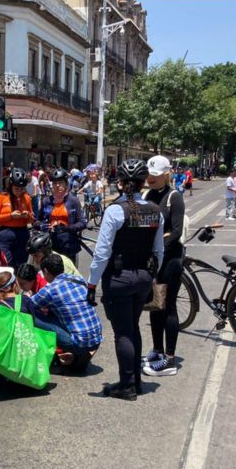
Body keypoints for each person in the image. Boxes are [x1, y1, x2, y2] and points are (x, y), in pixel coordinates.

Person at [87, 159, 164, 401]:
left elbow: (102, 253)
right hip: (142, 277)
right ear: (143, 183)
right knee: (133, 327)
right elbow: (158, 251)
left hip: (119, 278)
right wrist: (150, 275)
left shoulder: (115, 210)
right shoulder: (155, 211)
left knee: (123, 332)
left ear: (120, 183)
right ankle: (136, 381)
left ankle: (127, 385)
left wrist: (91, 283)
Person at [142, 155, 185, 377]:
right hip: (153, 259)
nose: (150, 178)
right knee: (154, 304)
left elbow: (176, 232)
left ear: (167, 175)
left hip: (171, 259)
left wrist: (157, 245)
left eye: (155, 175)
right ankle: (157, 350)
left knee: (168, 306)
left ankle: (170, 358)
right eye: (149, 174)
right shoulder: (147, 195)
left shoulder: (174, 197)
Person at [31, 254, 103, 373]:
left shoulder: (50, 290)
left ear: (46, 271)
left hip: (81, 343)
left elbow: (28, 305)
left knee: (33, 316)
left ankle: (57, 355)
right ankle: (79, 356)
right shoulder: (77, 279)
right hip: (96, 339)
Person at [37, 168, 86, 264]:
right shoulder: (46, 201)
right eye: (55, 183)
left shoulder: (73, 201)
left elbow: (83, 223)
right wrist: (41, 225)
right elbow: (37, 221)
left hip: (68, 244)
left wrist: (67, 228)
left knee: (68, 275)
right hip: (50, 244)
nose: (57, 185)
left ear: (66, 184)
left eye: (60, 183)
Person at [0, 168, 34, 269]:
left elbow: (32, 219)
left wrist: (27, 216)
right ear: (10, 186)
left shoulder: (26, 198)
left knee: (20, 264)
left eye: (21, 189)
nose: (19, 192)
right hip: (6, 234)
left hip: (22, 234)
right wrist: (10, 216)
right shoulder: (1, 197)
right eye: (16, 189)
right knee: (6, 263)